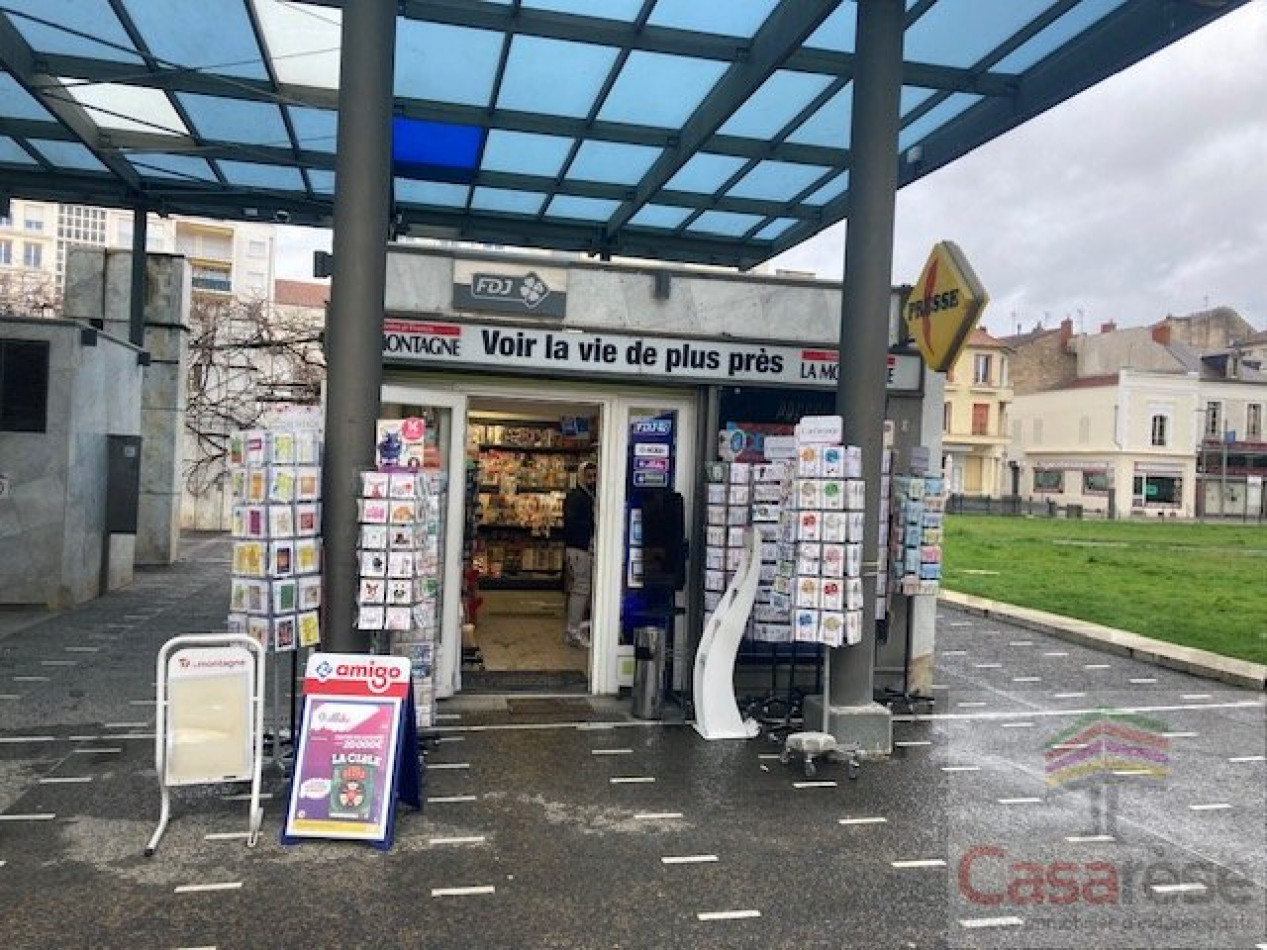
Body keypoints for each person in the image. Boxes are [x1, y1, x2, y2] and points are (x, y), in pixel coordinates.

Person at [562, 461, 597, 648]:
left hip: (580, 548)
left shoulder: (586, 496)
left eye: (594, 476)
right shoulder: (577, 498)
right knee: (581, 590)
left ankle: (575, 629)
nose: (592, 480)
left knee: (580, 590)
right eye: (589, 476)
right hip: (579, 549)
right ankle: (573, 631)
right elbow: (574, 523)